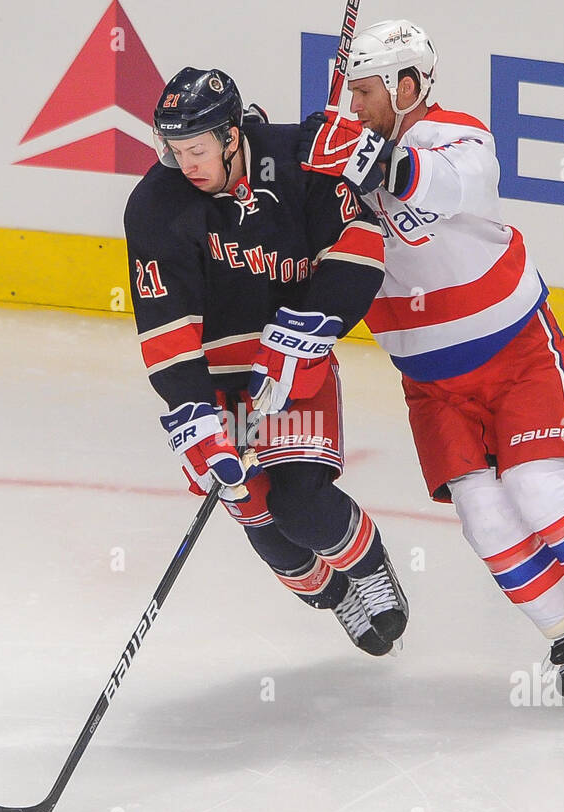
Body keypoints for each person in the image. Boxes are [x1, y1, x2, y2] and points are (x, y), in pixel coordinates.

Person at [298, 21, 564, 714]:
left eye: (364, 93)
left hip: (516, 356)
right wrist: (304, 171)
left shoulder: (454, 136)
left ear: (406, 86)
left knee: (539, 487)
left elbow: (450, 184)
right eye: (347, 94)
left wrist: (370, 160)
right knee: (484, 516)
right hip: (431, 387)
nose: (353, 107)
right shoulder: (340, 172)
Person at [125, 67, 408, 656]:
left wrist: (309, 331)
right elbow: (165, 326)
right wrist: (194, 414)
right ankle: (333, 595)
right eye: (174, 151)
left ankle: (371, 567)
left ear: (232, 136)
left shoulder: (300, 160)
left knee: (299, 503)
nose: (185, 163)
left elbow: (359, 248)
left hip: (292, 362)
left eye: (196, 148)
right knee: (256, 512)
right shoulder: (155, 205)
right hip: (217, 379)